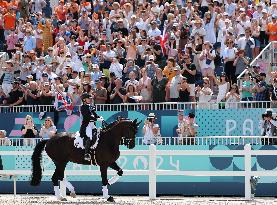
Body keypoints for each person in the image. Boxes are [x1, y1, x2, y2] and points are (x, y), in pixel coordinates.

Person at [80, 93, 104, 161]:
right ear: (84, 100)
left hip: (92, 124)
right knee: (89, 137)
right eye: (88, 98)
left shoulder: (91, 106)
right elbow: (87, 117)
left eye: (90, 98)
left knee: (98, 135)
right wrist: (96, 119)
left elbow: (94, 114)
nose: (90, 99)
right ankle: (86, 153)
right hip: (87, 125)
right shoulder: (83, 107)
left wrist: (99, 117)